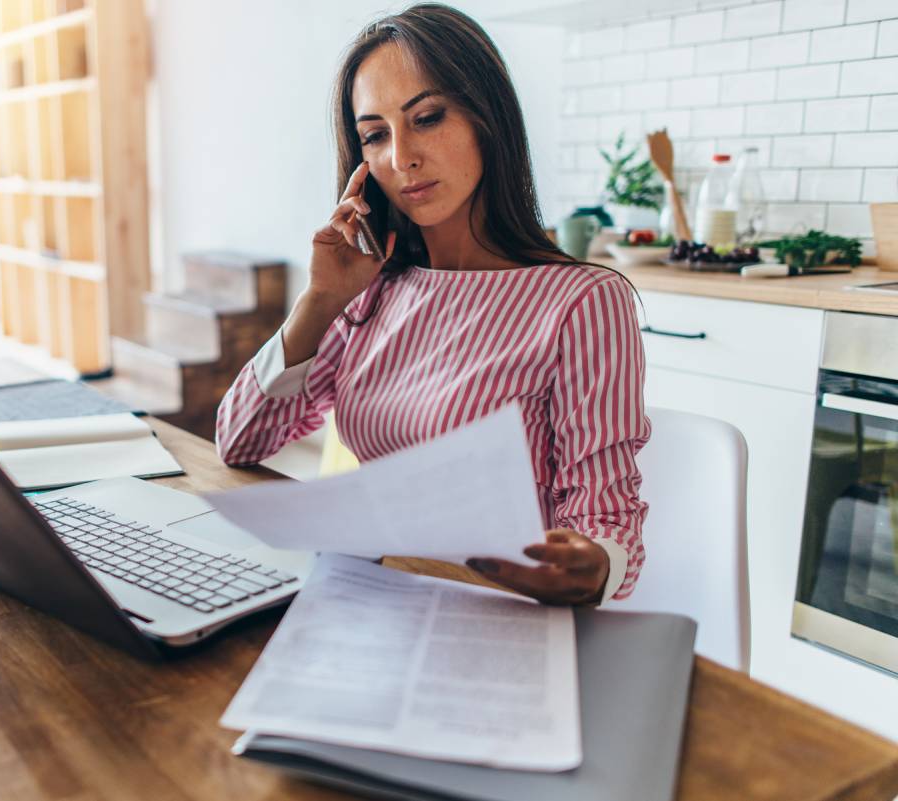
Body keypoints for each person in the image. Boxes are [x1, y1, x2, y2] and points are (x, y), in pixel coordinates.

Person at [214, 3, 651, 607]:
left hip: (494, 614)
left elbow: (605, 515)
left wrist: (594, 565)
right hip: (369, 599)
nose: (401, 157)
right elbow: (239, 442)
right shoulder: (374, 289)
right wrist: (320, 302)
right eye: (375, 134)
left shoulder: (583, 302)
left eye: (427, 117)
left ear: (486, 116)